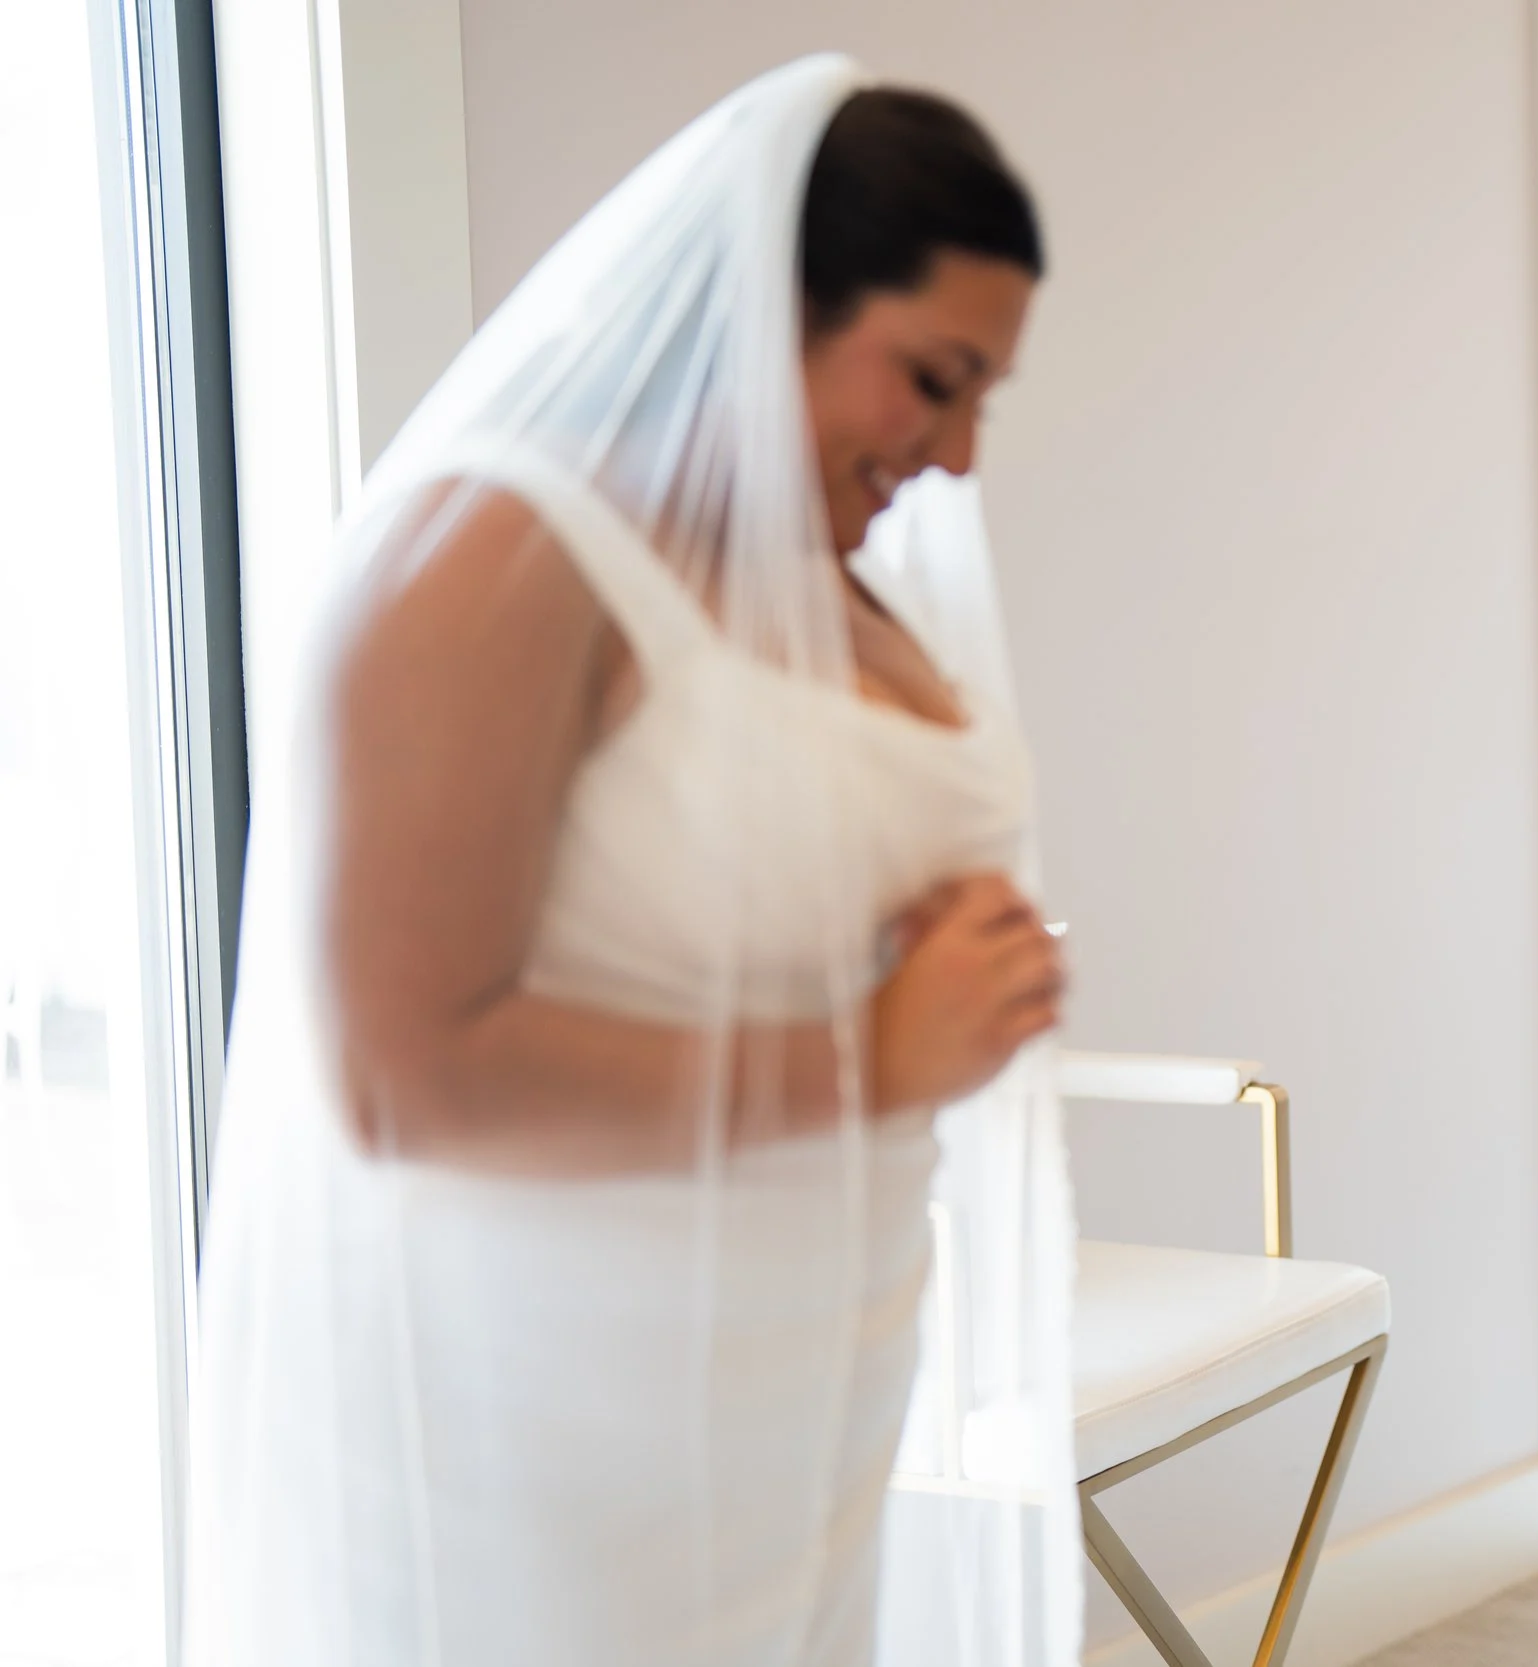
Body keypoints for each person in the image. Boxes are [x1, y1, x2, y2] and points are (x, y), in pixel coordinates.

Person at [184, 58, 1080, 1665]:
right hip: (547, 1437)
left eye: (981, 401)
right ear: (769, 300)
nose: (954, 456)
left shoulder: (833, 584)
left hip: (796, 1391)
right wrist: (869, 1055)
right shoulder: (503, 558)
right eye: (928, 378)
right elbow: (403, 1072)